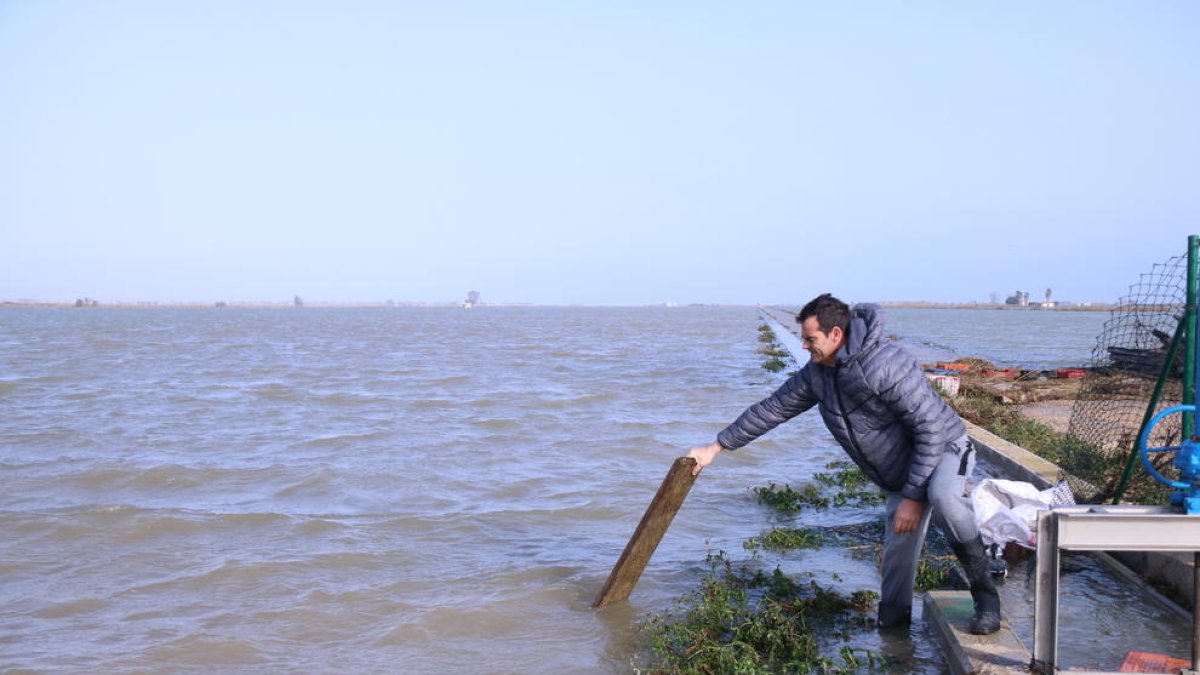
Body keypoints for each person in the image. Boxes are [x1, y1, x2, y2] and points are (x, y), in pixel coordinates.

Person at [687, 293, 1001, 635]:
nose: (804, 346)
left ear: (836, 335)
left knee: (945, 498)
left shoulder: (885, 363)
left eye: (810, 339)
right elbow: (772, 409)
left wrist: (913, 498)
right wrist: (715, 447)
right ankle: (893, 631)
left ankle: (986, 598)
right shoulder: (817, 375)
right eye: (802, 339)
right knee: (898, 552)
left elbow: (930, 428)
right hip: (900, 471)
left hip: (944, 448)